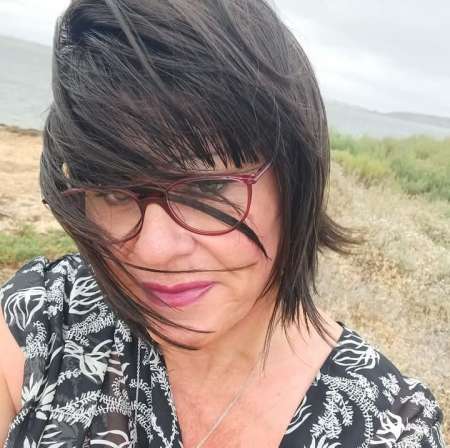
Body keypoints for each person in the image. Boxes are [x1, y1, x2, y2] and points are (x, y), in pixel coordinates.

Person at [0, 0, 445, 446]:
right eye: (114, 192)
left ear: (293, 181)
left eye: (207, 188)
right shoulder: (46, 316)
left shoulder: (388, 428)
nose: (153, 250)